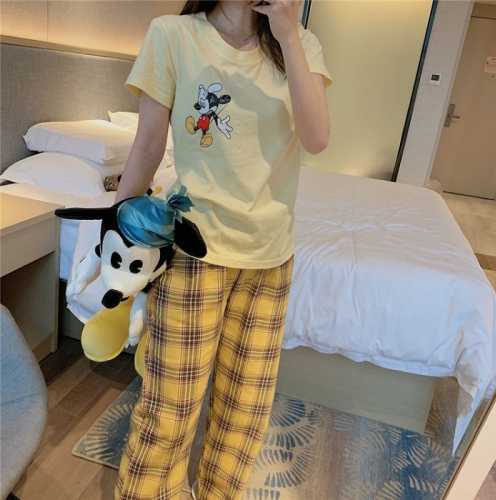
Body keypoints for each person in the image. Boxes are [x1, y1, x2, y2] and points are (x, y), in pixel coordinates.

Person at [114, 1, 332, 498]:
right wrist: (119, 223)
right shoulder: (172, 35)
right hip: (194, 251)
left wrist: (288, 34)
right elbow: (147, 143)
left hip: (270, 257)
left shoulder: (301, 44)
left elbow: (317, 139)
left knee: (244, 414)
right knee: (168, 410)